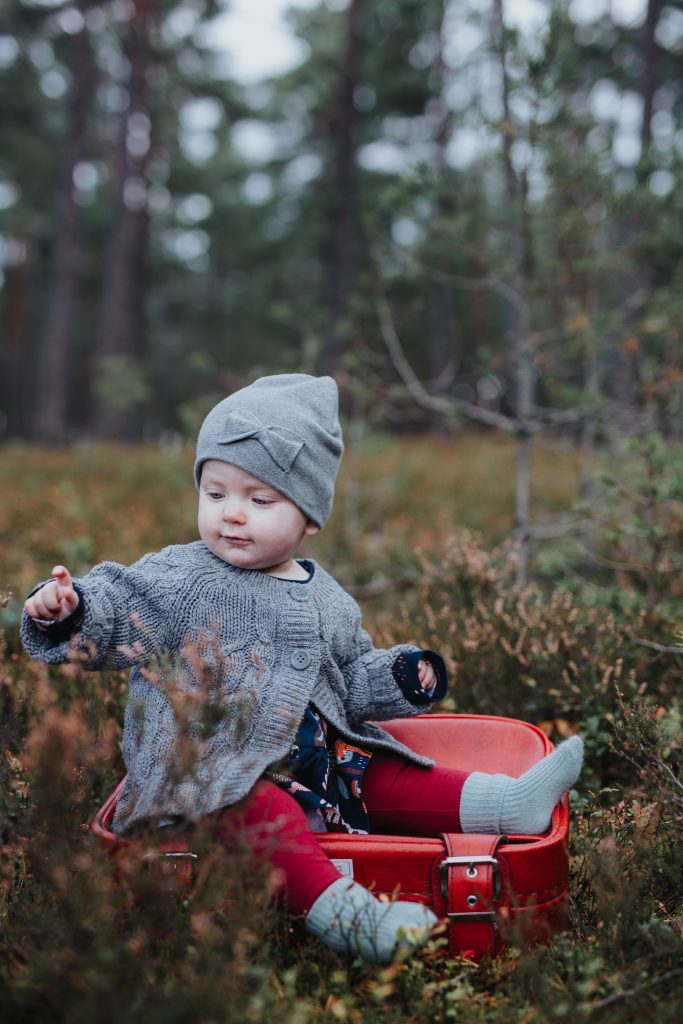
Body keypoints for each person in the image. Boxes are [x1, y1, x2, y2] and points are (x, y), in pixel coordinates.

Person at [22, 373, 583, 964]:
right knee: (266, 811)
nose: (232, 515)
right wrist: (71, 610)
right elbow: (118, 606)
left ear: (309, 517)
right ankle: (353, 919)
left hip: (320, 765)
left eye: (259, 500)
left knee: (386, 770)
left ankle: (508, 804)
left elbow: (349, 676)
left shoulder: (327, 596)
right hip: (208, 781)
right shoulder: (181, 577)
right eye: (215, 494)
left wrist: (398, 676)